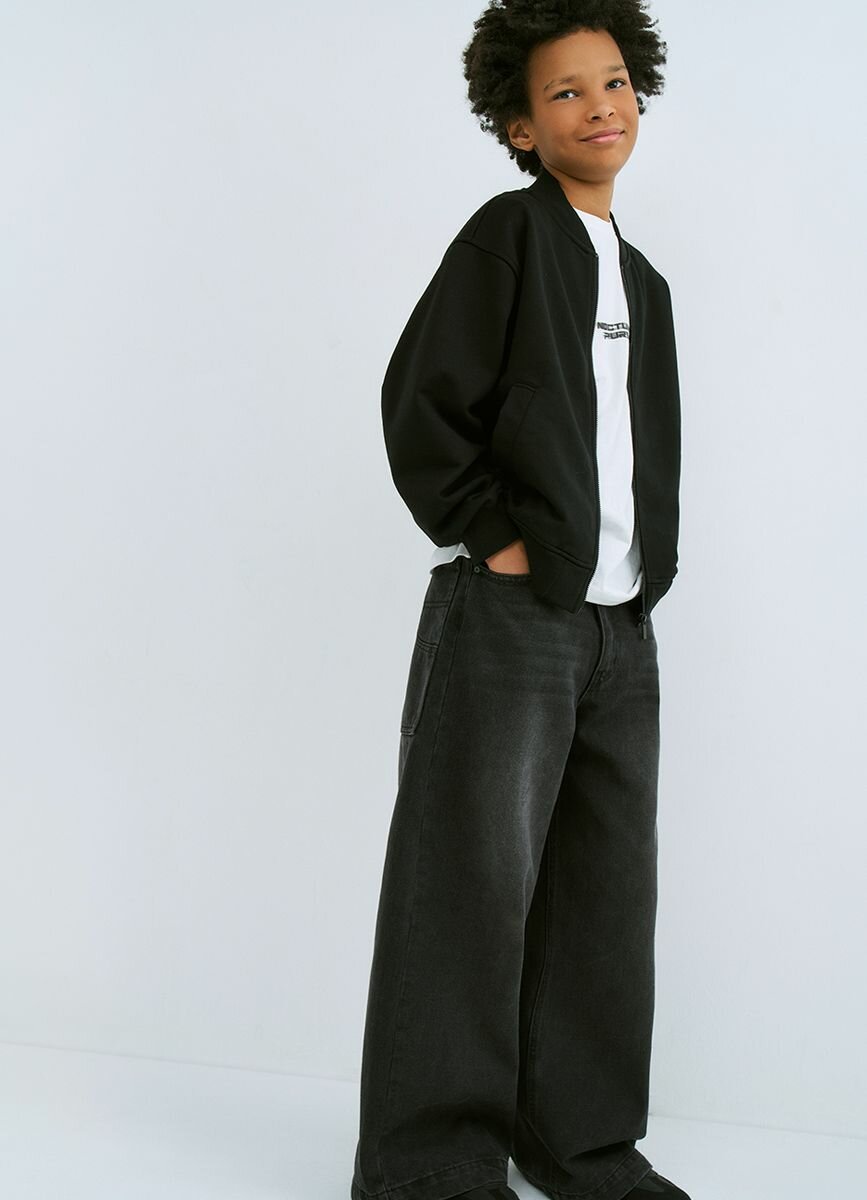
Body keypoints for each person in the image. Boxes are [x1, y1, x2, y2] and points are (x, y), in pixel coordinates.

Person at [351, 3, 689, 1199]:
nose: (601, 105)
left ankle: (579, 1143)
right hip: (511, 623)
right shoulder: (507, 237)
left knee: (606, 895)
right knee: (471, 888)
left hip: (618, 630)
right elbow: (419, 401)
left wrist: (643, 580)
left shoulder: (642, 279)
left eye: (615, 81)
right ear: (520, 128)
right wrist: (492, 537)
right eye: (564, 92)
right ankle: (431, 1165)